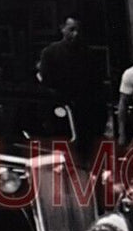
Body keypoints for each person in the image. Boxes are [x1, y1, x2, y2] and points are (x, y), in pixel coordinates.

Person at [37, 15, 103, 145]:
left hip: (86, 109)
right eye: (72, 29)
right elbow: (47, 84)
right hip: (61, 108)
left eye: (79, 30)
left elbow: (96, 84)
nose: (76, 34)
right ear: (62, 29)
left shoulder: (89, 53)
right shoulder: (50, 52)